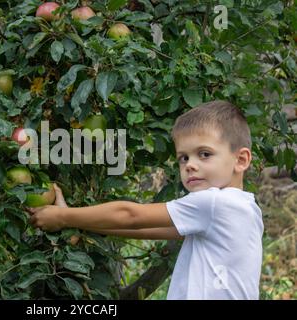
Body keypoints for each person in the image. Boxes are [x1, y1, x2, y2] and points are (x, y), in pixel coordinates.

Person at [26, 100, 264, 300]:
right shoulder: (245, 209)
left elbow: (131, 216)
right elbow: (151, 228)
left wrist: (62, 217)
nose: (190, 165)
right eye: (183, 157)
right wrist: (76, 222)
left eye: (205, 154)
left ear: (241, 160)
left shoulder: (214, 204)